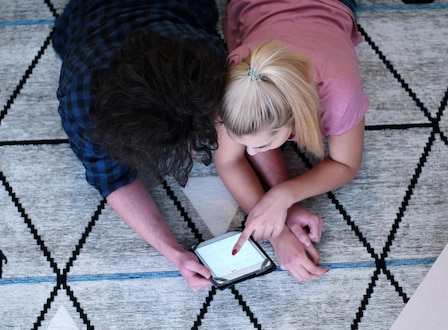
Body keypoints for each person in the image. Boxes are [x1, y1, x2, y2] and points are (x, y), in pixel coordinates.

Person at [52, 0, 227, 291]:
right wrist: (173, 252)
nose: (195, 153)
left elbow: (251, 123)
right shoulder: (81, 104)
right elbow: (113, 180)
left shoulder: (207, 57)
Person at [215, 0, 369, 282]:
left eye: (260, 145)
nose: (249, 152)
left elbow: (346, 164)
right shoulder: (239, 73)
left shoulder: (339, 94)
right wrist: (279, 230)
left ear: (294, 120)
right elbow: (227, 160)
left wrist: (284, 195)